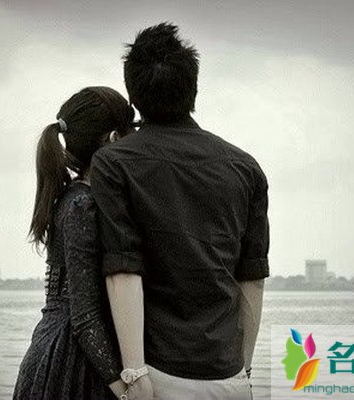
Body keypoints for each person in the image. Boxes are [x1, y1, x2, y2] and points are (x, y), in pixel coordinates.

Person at [90, 23, 270, 400]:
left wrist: (135, 373)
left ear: (132, 96)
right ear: (194, 90)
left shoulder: (113, 163)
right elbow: (251, 281)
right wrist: (244, 369)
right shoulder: (246, 168)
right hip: (229, 377)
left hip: (158, 373)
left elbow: (124, 270)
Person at [13, 86, 135, 400]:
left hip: (55, 350)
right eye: (131, 131)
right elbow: (85, 317)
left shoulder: (72, 197)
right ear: (113, 139)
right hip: (72, 363)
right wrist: (125, 390)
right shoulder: (83, 205)